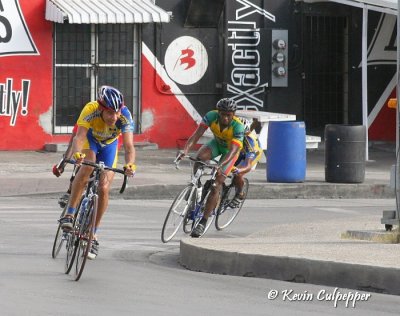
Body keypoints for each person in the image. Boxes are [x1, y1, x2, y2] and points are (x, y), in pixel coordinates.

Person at [58, 85, 137, 259]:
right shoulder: (91, 109)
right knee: (87, 166)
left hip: (109, 146)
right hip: (90, 141)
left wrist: (130, 165)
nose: (114, 117)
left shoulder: (125, 115)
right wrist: (78, 154)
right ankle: (70, 214)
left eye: (117, 113)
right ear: (101, 108)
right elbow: (79, 137)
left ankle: (93, 234)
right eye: (110, 113)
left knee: (103, 188)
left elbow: (129, 146)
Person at [179, 98, 245, 237]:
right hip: (217, 144)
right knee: (199, 158)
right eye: (222, 114)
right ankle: (197, 186)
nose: (225, 117)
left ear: (233, 114)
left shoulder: (238, 126)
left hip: (230, 152)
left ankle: (203, 222)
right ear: (218, 112)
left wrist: (219, 165)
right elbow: (196, 135)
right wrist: (185, 150)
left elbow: (233, 151)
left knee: (216, 184)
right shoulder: (211, 116)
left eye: (229, 115)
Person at [228, 118, 262, 208]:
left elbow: (248, 165)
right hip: (241, 150)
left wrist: (239, 170)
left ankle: (240, 193)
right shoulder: (235, 131)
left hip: (253, 153)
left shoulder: (249, 142)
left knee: (238, 174)